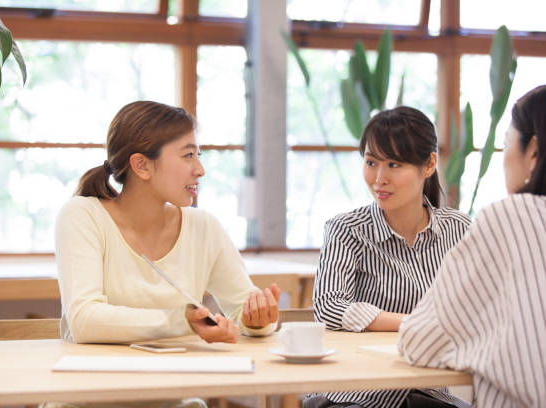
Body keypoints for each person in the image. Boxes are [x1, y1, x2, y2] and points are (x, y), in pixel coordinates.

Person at [53, 101, 280, 408]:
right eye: (188, 155)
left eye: (198, 155)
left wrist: (257, 320)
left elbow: (242, 310)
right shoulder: (83, 215)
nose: (200, 169)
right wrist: (183, 322)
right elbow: (84, 320)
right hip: (85, 402)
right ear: (141, 165)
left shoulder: (203, 227)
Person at [306, 106, 472, 408]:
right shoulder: (347, 229)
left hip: (429, 392)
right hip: (356, 395)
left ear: (429, 164)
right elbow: (329, 307)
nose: (379, 178)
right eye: (371, 162)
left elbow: (479, 307)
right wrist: (412, 323)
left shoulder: (459, 230)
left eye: (394, 164)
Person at [398, 86, 546, 408]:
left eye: (506, 143)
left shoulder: (509, 217)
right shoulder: (345, 227)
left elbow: (419, 342)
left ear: (533, 152)